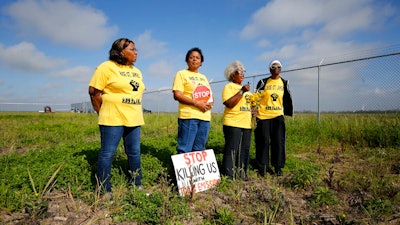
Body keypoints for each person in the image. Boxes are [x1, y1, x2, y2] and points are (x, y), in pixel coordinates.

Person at [88, 38, 145, 194]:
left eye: (135, 49)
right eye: (132, 49)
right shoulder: (106, 67)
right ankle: (104, 189)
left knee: (134, 152)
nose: (136, 52)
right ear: (121, 52)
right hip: (112, 118)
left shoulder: (136, 71)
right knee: (108, 153)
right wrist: (103, 112)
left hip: (133, 118)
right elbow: (94, 92)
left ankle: (136, 183)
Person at [254, 60, 293, 176]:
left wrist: (287, 112)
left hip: (277, 116)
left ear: (281, 69)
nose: (276, 68)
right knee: (263, 141)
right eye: (273, 66)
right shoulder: (263, 82)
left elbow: (287, 98)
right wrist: (254, 110)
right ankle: (262, 167)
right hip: (263, 116)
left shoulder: (284, 82)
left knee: (278, 142)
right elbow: (256, 97)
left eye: (279, 66)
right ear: (269, 69)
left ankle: (278, 167)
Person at [172, 47, 213, 154]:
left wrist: (209, 103)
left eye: (197, 58)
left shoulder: (203, 77)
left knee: (200, 149)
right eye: (192, 57)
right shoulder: (181, 74)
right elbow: (177, 95)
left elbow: (209, 95)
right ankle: (183, 170)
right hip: (189, 116)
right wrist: (196, 103)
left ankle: (195, 171)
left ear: (201, 62)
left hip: (204, 117)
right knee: (185, 148)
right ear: (187, 60)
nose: (194, 59)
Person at [221, 60, 252, 181]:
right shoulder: (228, 87)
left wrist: (253, 110)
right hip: (233, 123)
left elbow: (247, 105)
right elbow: (229, 103)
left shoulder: (246, 90)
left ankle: (241, 172)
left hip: (246, 124)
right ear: (232, 74)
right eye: (239, 71)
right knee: (232, 149)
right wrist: (241, 91)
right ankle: (228, 174)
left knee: (244, 149)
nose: (242, 74)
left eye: (243, 71)